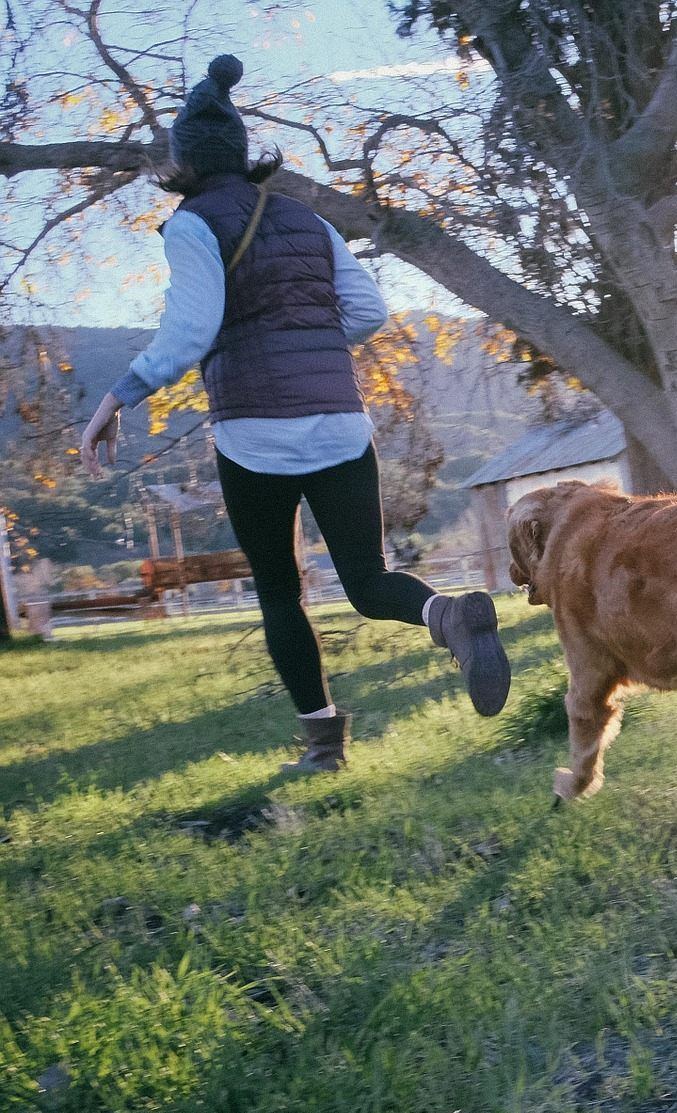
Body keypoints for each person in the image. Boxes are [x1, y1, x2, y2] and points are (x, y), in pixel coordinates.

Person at [80, 55, 511, 773]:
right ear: (244, 152)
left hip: (256, 433)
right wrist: (307, 338)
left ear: (182, 160)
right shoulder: (303, 216)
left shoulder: (190, 225)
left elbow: (191, 330)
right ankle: (448, 617)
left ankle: (323, 749)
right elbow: (369, 311)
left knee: (281, 592)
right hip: (341, 421)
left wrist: (116, 396)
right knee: (369, 582)